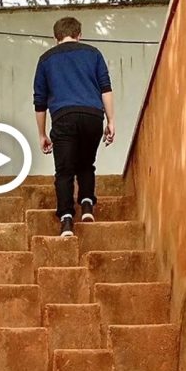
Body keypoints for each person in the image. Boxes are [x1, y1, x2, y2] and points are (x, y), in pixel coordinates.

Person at [33, 17, 115, 237]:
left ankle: (67, 219)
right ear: (79, 34)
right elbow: (105, 88)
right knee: (86, 163)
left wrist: (41, 133)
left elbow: (40, 102)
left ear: (55, 37)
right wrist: (111, 121)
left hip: (63, 117)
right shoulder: (93, 53)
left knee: (64, 170)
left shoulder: (46, 60)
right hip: (92, 116)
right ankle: (87, 205)